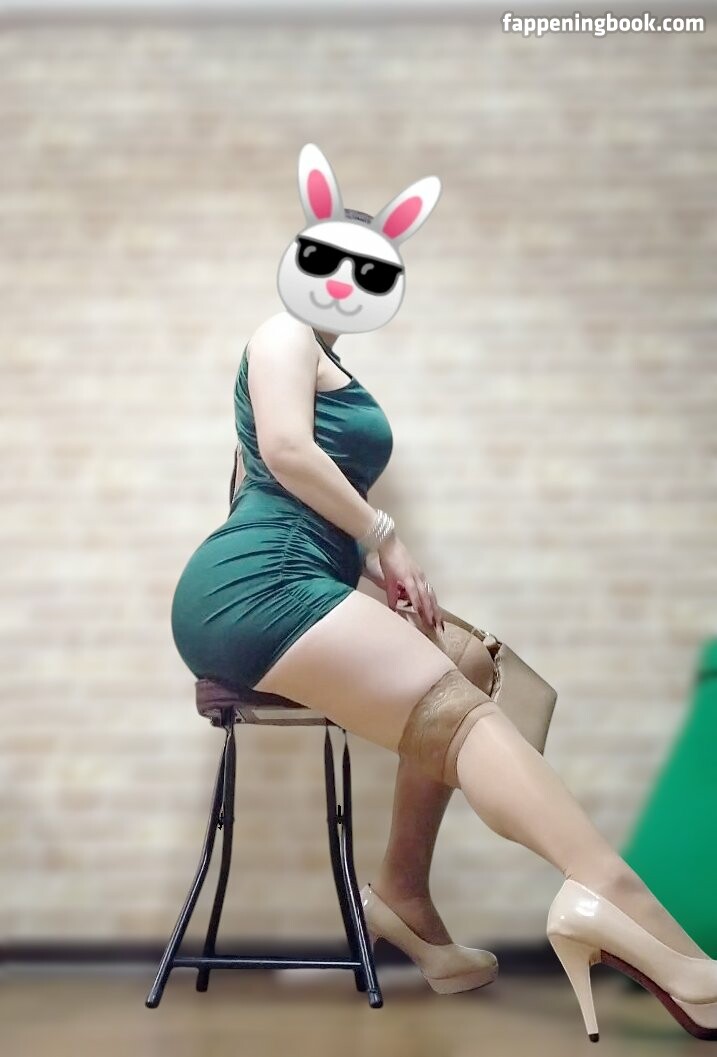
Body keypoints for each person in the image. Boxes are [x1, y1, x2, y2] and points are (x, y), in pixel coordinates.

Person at [171, 213, 717, 1041]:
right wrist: (385, 538)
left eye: (369, 270)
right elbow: (283, 452)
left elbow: (292, 495)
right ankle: (612, 893)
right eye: (328, 260)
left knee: (470, 660)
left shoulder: (326, 359)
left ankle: (404, 895)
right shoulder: (281, 332)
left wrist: (369, 569)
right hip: (252, 587)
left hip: (291, 577)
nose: (343, 282)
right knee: (454, 709)